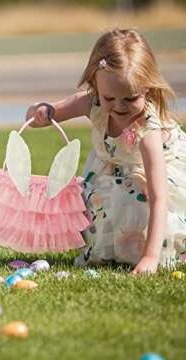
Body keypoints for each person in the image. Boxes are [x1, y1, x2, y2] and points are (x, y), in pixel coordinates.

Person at [26, 28, 186, 274]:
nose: (119, 107)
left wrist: (151, 257)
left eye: (130, 98)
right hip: (115, 170)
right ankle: (114, 251)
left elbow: (159, 197)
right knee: (103, 202)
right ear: (95, 85)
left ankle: (153, 251)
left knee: (133, 204)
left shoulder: (148, 133)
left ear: (148, 89)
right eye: (110, 98)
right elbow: (40, 114)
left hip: (154, 174)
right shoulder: (91, 102)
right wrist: (41, 111)